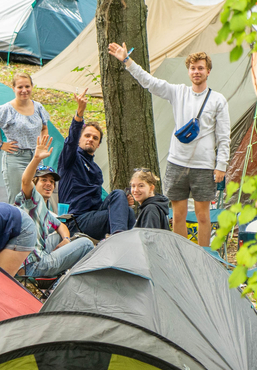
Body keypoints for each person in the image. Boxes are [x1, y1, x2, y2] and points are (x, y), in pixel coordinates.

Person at [107, 43, 230, 247]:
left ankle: (204, 257)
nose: (196, 71)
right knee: (178, 215)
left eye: (200, 68)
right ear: (188, 71)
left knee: (203, 216)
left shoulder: (218, 100)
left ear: (208, 71)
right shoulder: (178, 92)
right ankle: (181, 257)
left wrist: (221, 165)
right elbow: (150, 82)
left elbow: (224, 135)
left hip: (204, 165)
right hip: (177, 162)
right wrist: (127, 61)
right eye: (193, 68)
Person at [57, 89, 135, 240]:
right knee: (122, 207)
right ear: (80, 138)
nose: (90, 139)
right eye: (87, 135)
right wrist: (79, 113)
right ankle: (120, 241)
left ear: (98, 144)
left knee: (127, 207)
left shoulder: (96, 170)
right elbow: (71, 141)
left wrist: (122, 203)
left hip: (92, 217)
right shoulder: (70, 159)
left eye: (95, 138)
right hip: (75, 220)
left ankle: (117, 240)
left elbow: (98, 203)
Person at [15, 135, 94, 278]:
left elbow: (60, 226)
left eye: (52, 182)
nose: (49, 184)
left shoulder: (45, 210)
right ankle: (65, 283)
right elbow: (25, 181)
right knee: (86, 244)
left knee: (61, 237)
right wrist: (36, 159)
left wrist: (66, 240)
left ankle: (61, 278)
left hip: (36, 258)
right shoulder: (31, 200)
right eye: (44, 180)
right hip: (32, 265)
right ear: (35, 183)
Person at [0, 73, 50, 202]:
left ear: (32, 87)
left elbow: (44, 127)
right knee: (18, 198)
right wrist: (1, 144)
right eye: (20, 87)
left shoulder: (38, 107)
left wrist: (42, 145)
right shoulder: (6, 109)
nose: (24, 90)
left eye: (27, 86)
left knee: (38, 199)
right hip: (16, 159)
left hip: (36, 157)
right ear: (13, 88)